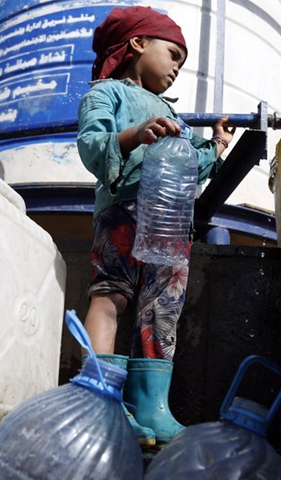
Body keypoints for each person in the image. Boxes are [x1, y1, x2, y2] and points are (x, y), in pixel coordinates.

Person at [76, 5, 235, 447]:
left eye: (181, 62)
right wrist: (135, 134)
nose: (177, 68)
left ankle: (151, 406)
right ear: (137, 44)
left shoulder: (173, 115)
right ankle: (98, 401)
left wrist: (216, 146)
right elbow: (92, 144)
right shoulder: (106, 94)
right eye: (173, 55)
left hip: (169, 223)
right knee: (111, 296)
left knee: (161, 312)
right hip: (123, 211)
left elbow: (192, 164)